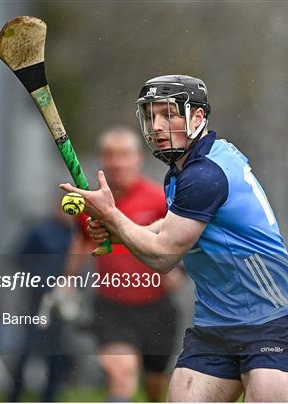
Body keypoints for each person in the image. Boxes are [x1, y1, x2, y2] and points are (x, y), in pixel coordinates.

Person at [60, 75, 288, 402]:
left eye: (170, 114)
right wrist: (117, 229)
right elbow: (169, 228)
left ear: (198, 117)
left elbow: (164, 256)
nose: (158, 125)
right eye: (152, 115)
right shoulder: (186, 169)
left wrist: (112, 217)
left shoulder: (204, 175)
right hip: (217, 324)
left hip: (272, 317)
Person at [65, 126, 181, 402]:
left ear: (138, 158)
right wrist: (67, 281)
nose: (117, 162)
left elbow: (179, 238)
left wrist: (178, 270)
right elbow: (82, 241)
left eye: (124, 155)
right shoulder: (90, 203)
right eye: (109, 155)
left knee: (155, 384)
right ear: (100, 160)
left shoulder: (158, 198)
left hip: (156, 307)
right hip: (111, 307)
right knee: (121, 373)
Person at [6, 204, 75, 402]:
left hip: (61, 303)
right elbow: (19, 258)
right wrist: (42, 281)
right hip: (38, 301)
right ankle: (13, 395)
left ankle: (50, 396)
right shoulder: (40, 231)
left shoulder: (76, 234)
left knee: (57, 351)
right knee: (28, 348)